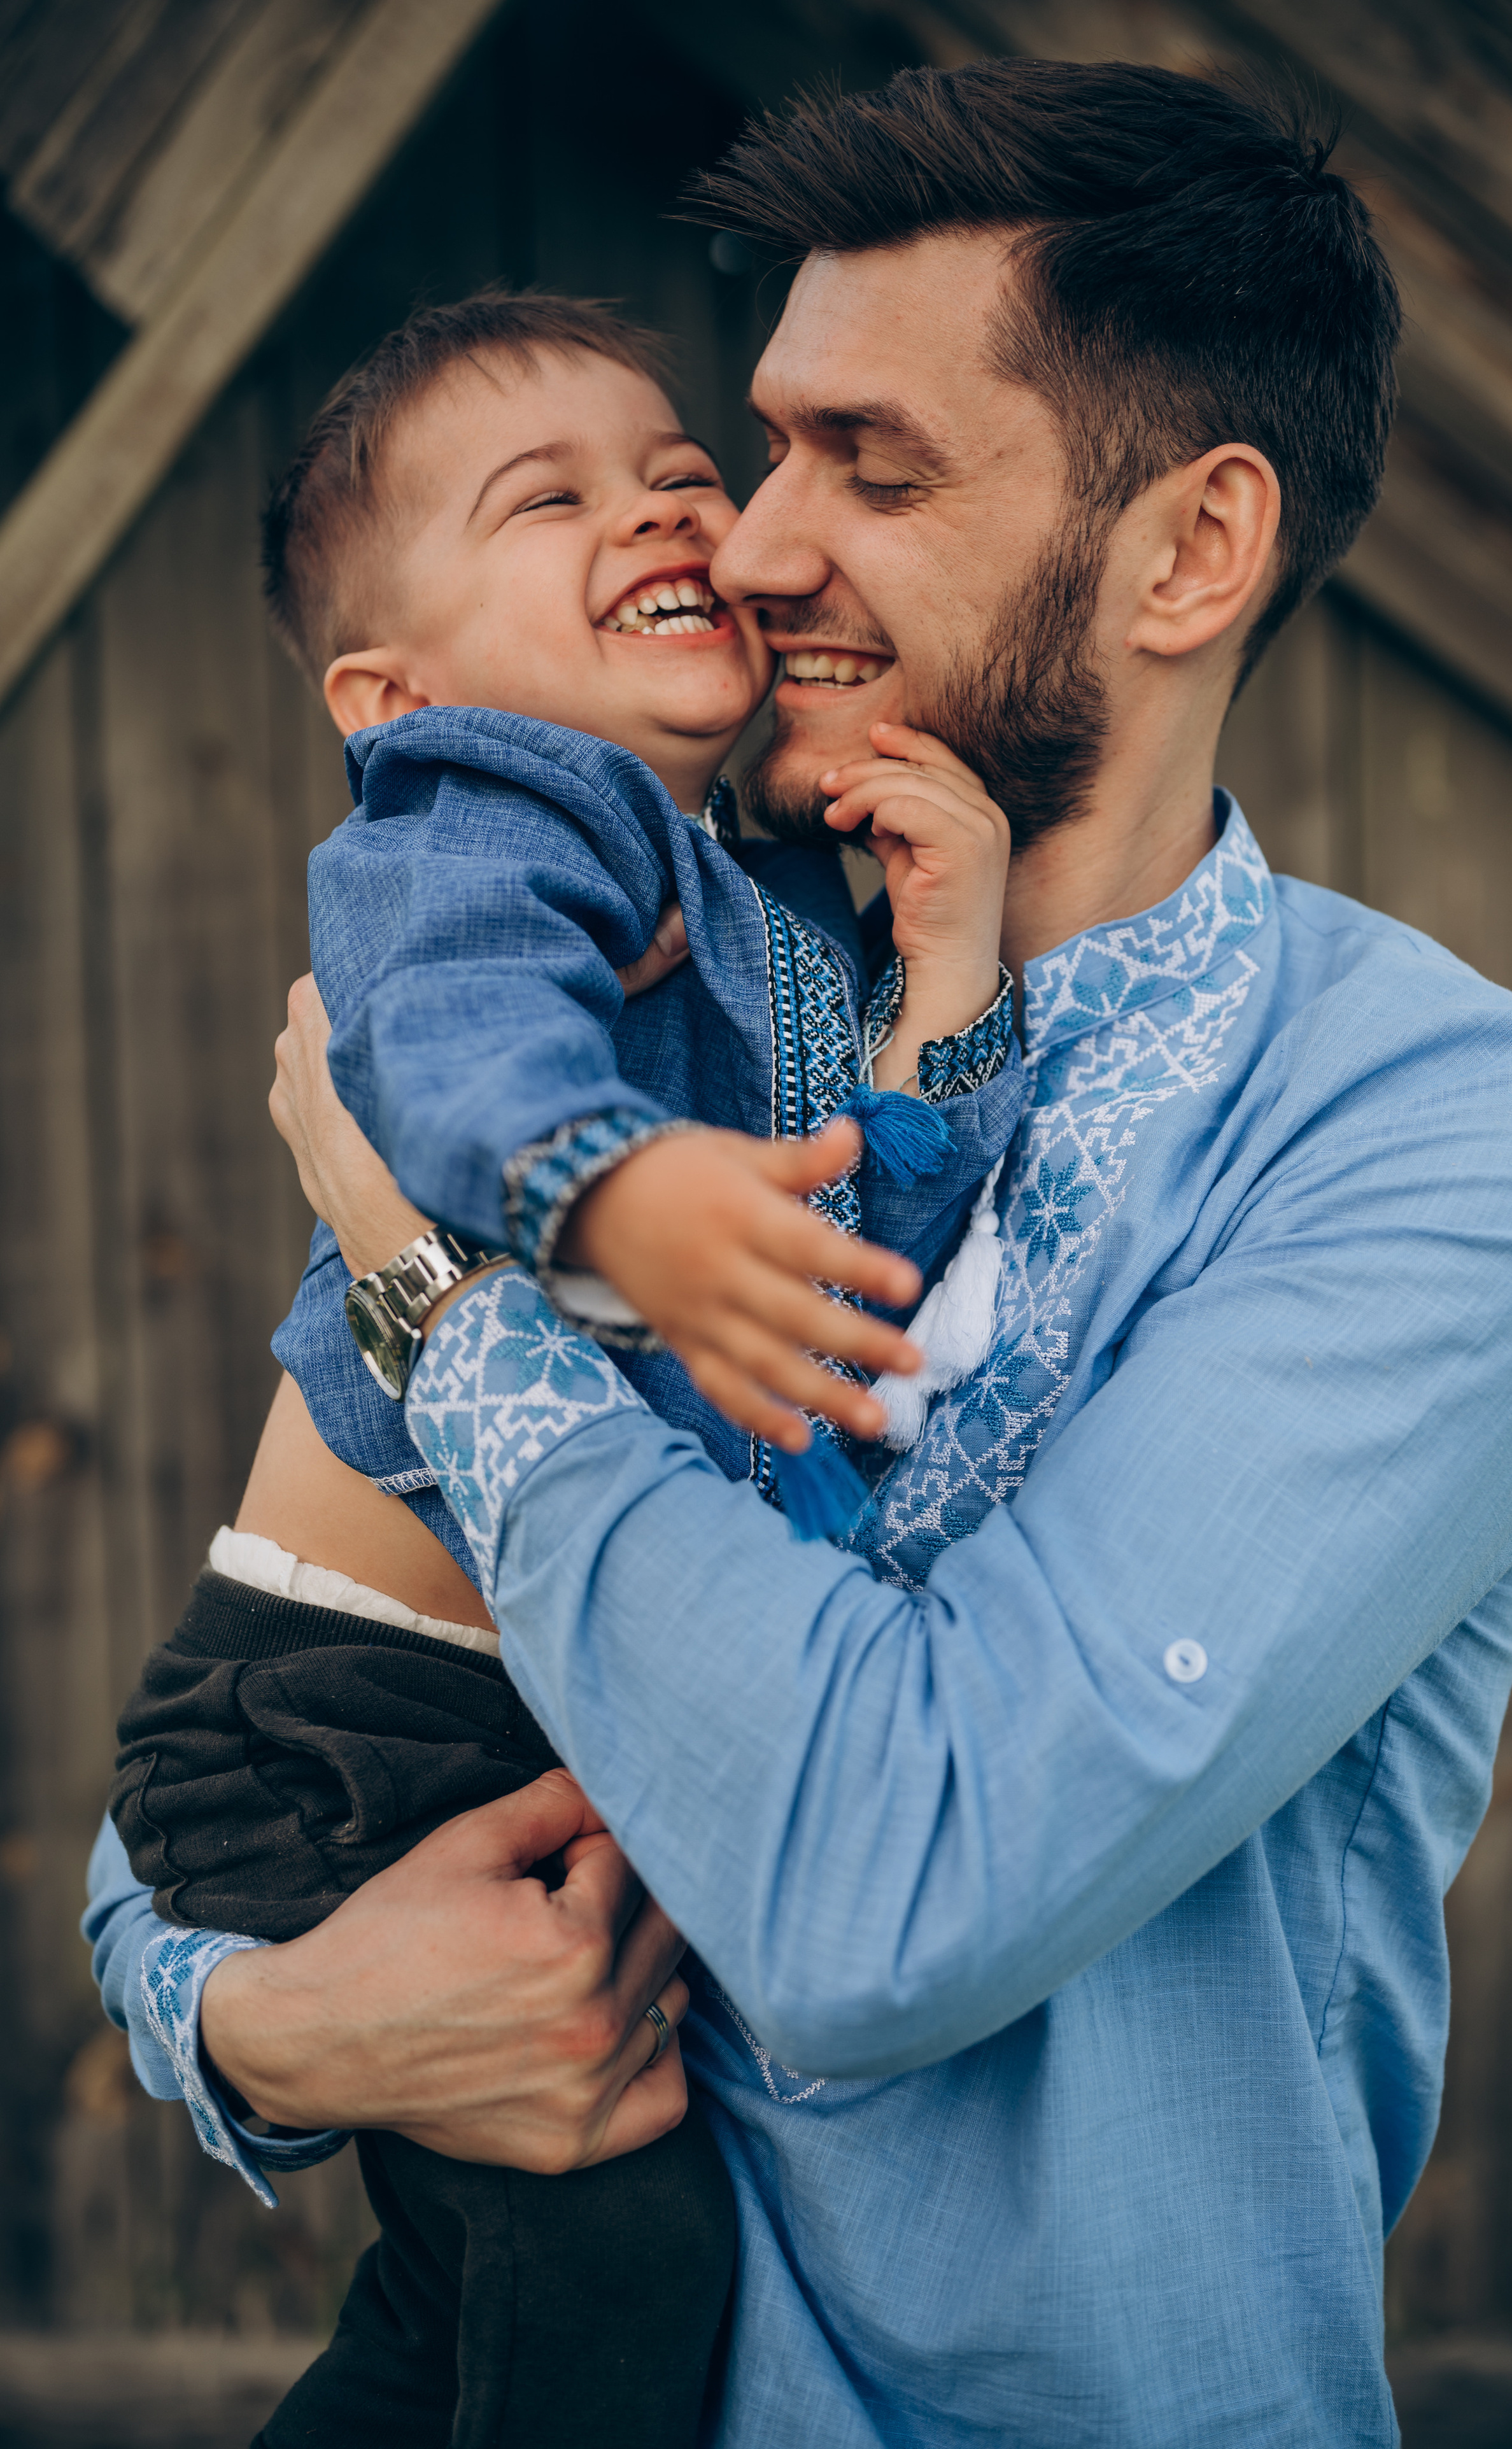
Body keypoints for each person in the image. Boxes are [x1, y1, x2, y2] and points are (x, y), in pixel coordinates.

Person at [86, 58, 1512, 2449]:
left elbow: (888, 1891)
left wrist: (432, 1286)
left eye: (872, 470)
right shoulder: (672, 979)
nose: (759, 541)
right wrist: (266, 2028)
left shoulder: (1472, 1143)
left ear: (1191, 552)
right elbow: (270, 1693)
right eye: (769, 445)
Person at [101, 291, 1020, 2448]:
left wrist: (950, 980)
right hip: (340, 1709)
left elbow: (843, 1276)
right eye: (557, 496)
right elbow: (441, 1054)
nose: (664, 508)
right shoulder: (476, 820)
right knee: (594, 2284)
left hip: (498, 1706)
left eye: (678, 471)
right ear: (388, 689)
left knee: (516, 2307)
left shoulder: (763, 903)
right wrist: (609, 1193)